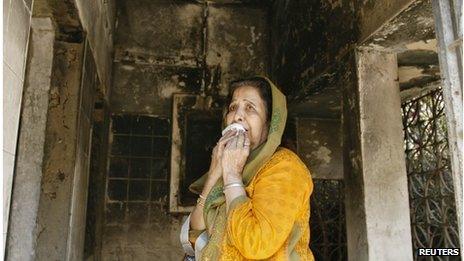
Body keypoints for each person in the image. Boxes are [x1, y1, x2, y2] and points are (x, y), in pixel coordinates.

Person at [180, 76, 314, 260]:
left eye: (250, 108)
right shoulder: (231, 164)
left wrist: (232, 177)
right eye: (233, 108)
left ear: (269, 123)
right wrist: (215, 172)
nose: (237, 116)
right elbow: (197, 229)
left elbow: (256, 245)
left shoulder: (285, 167)